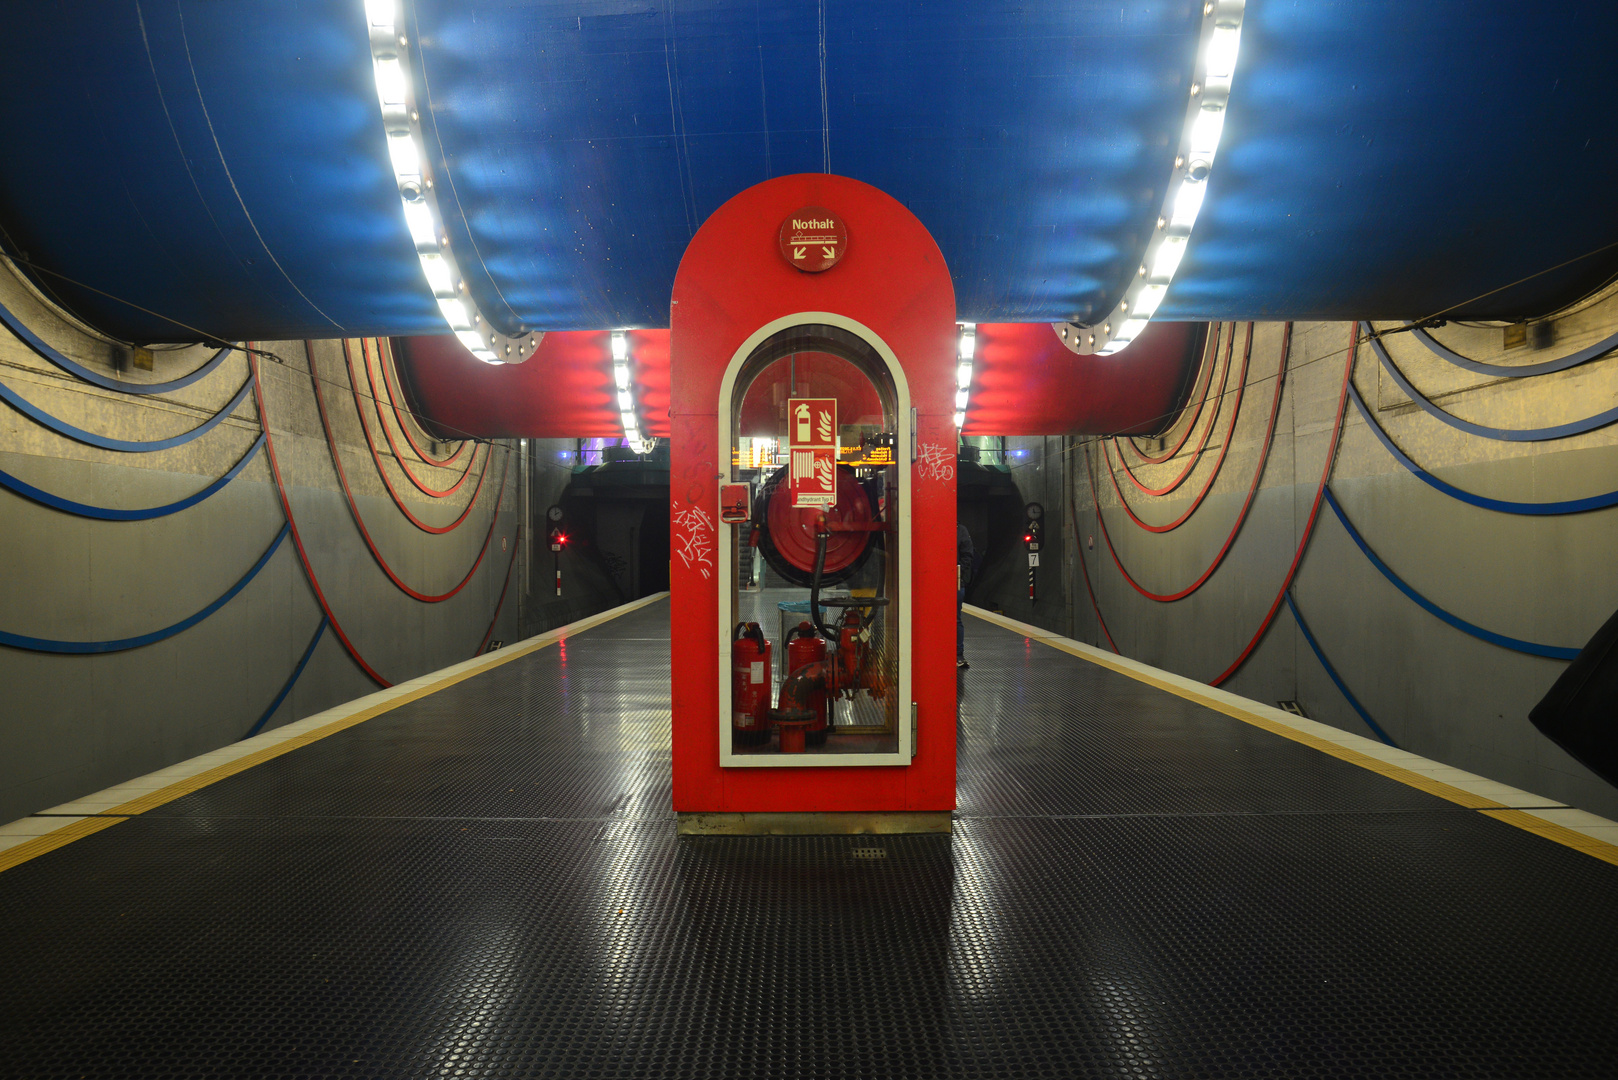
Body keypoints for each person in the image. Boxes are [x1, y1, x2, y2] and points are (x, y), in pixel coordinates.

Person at [957, 522, 974, 670]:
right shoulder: (961, 530)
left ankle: (958, 654)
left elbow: (967, 556)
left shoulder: (961, 530)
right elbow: (968, 554)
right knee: (956, 619)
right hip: (956, 582)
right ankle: (958, 656)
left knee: (955, 619)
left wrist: (957, 573)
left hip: (955, 583)